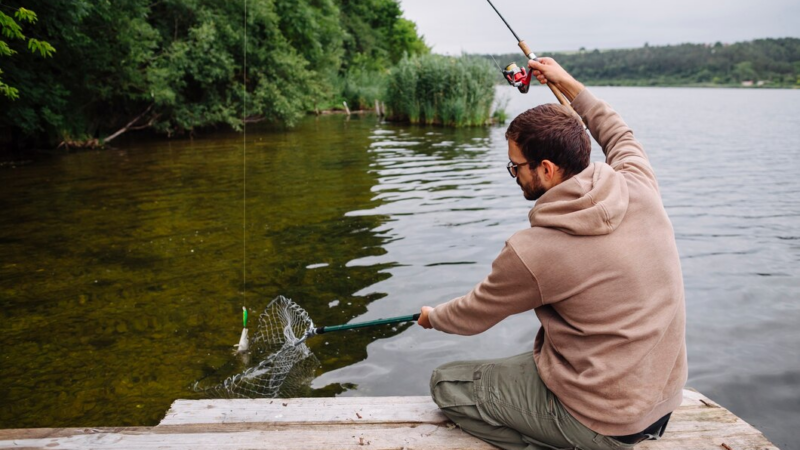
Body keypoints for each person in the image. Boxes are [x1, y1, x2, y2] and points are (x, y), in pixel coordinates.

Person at [417, 58, 687, 450]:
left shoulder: (533, 251)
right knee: (528, 360)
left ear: (546, 169)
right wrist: (566, 82)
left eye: (516, 166)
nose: (514, 174)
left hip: (606, 421)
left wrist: (431, 317)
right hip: (662, 402)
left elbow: (473, 315)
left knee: (447, 384)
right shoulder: (638, 184)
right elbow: (617, 132)